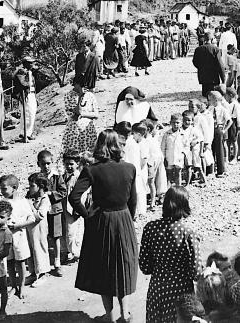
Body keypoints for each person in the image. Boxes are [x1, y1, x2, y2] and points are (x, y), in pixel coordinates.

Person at [70, 130, 138, 323]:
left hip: (101, 221)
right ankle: (126, 314)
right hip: (123, 218)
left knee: (104, 269)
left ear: (99, 145)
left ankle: (110, 316)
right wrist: (129, 219)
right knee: (122, 266)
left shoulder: (92, 169)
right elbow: (134, 200)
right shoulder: (129, 168)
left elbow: (74, 197)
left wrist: (87, 215)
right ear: (117, 145)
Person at [139, 186, 201, 323]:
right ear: (184, 205)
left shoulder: (150, 228)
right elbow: (196, 272)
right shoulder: (188, 233)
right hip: (181, 291)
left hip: (157, 289)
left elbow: (144, 266)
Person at [0, 174, 35, 300]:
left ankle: (22, 286)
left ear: (14, 188)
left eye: (4, 189)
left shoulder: (22, 202)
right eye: (1, 188)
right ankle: (13, 286)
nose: (2, 191)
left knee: (20, 262)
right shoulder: (2, 203)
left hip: (19, 235)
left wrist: (19, 225)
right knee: (9, 262)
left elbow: (32, 218)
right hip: (6, 237)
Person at [37, 150, 66, 276]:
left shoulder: (56, 176)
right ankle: (44, 263)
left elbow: (63, 192)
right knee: (43, 236)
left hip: (55, 210)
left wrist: (51, 194)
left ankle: (57, 262)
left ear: (52, 162)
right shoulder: (37, 178)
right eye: (43, 164)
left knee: (56, 236)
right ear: (39, 164)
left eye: (48, 163)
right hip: (43, 211)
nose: (46, 166)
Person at [26, 172, 51, 286]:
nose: (30, 188)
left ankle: (43, 273)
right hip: (30, 229)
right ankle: (32, 273)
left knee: (39, 249)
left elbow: (40, 215)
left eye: (32, 186)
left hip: (39, 229)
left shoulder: (45, 199)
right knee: (31, 250)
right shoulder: (31, 198)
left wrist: (30, 206)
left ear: (40, 186)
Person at [62, 83, 99, 159]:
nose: (84, 87)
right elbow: (74, 115)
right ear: (76, 84)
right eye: (81, 85)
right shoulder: (69, 95)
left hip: (88, 131)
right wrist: (80, 97)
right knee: (73, 155)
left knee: (88, 155)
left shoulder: (90, 96)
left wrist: (83, 114)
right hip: (74, 131)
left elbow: (96, 114)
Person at [193, 31, 226, 98]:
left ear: (204, 39)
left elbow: (195, 62)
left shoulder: (198, 49)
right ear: (212, 39)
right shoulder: (216, 49)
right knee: (213, 96)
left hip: (203, 76)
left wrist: (201, 68)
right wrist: (223, 78)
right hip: (213, 77)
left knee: (205, 95)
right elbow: (220, 65)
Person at [13, 57, 38, 140]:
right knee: (27, 113)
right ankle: (25, 133)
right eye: (30, 63)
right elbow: (23, 83)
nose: (32, 64)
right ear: (26, 63)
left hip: (31, 94)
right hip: (26, 95)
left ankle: (28, 132)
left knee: (31, 113)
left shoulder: (29, 72)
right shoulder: (22, 71)